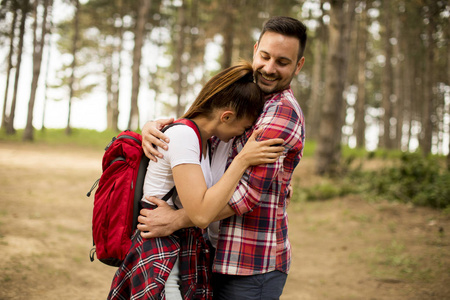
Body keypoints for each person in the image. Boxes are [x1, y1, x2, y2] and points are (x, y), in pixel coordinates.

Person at [139, 16, 307, 299]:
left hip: (251, 265)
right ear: (255, 50)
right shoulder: (243, 95)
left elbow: (247, 193)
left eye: (282, 62)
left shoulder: (282, 112)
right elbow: (203, 127)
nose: (268, 68)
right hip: (213, 254)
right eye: (265, 56)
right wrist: (153, 127)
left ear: (298, 65)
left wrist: (178, 220)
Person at [107, 61, 285, 300]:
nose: (240, 134)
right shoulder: (183, 136)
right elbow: (201, 214)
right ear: (226, 116)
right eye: (242, 127)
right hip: (162, 259)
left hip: (179, 257)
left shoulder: (204, 142)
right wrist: (242, 160)